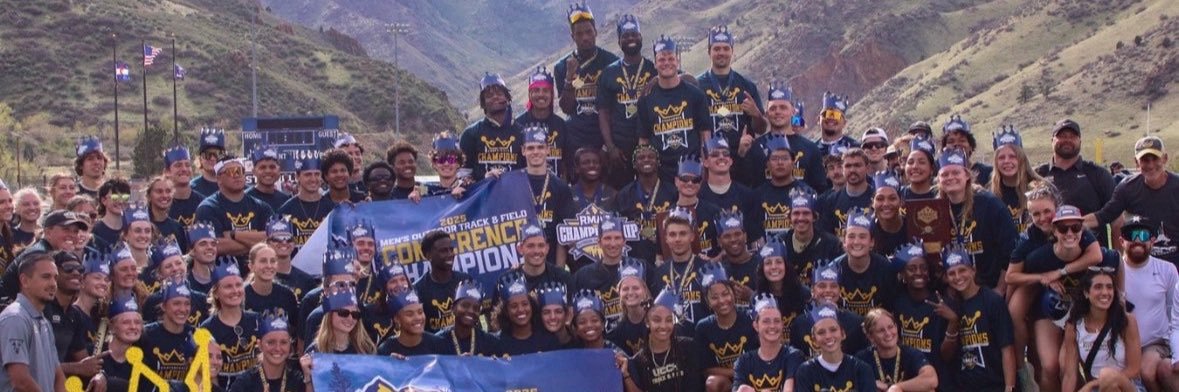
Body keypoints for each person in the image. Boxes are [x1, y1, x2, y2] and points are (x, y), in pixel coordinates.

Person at [1018, 205, 1119, 392]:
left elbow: (1117, 260)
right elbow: (1016, 278)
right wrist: (1043, 279)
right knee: (1049, 366)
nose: (1070, 233)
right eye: (1063, 228)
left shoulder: (1096, 255)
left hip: (1082, 312)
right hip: (1050, 309)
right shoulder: (1039, 257)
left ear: (1083, 230)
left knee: (1069, 366)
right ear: (1054, 231)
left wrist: (1121, 298)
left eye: (1076, 228)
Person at [1087, 136, 1179, 264]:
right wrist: (1069, 223)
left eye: (1155, 159)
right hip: (1141, 262)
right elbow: (1104, 216)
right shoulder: (1127, 188)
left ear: (1165, 158)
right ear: (1136, 162)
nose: (1151, 165)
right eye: (1145, 160)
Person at [935, 147, 1017, 290]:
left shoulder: (990, 204)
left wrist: (999, 291)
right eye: (945, 174)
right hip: (954, 289)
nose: (950, 177)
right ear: (939, 179)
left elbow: (1010, 252)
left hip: (989, 287)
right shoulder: (936, 209)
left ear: (967, 175)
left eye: (956, 172)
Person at [637, 35, 713, 181]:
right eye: (661, 59)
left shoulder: (695, 95)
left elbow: (705, 135)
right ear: (655, 63)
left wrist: (706, 168)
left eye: (671, 58)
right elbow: (643, 140)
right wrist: (645, 174)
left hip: (692, 171)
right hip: (661, 173)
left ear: (678, 60)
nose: (667, 63)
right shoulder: (646, 99)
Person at [1033, 119, 1116, 247]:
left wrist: (1120, 258)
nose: (1067, 140)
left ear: (1080, 141)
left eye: (1072, 136)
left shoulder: (1098, 174)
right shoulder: (1037, 175)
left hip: (1092, 258)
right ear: (1052, 141)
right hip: (1046, 258)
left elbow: (1117, 220)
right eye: (1062, 136)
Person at [943, 247, 1015, 392]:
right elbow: (945, 356)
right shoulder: (949, 307)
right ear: (946, 278)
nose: (958, 277)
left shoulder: (992, 301)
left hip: (995, 385)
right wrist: (952, 323)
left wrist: (1010, 387)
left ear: (973, 270)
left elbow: (1007, 348)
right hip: (963, 386)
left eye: (962, 270)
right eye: (952, 273)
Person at [1118, 216, 1177, 392]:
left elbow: (1174, 312)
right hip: (1121, 343)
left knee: (1147, 371)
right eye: (1131, 236)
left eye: (1143, 235)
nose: (1137, 241)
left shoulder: (1167, 269)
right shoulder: (1115, 270)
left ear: (1152, 241)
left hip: (1156, 342)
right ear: (1121, 241)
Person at [597, 14, 656, 187]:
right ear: (619, 40)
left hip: (649, 145)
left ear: (641, 37)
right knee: (622, 196)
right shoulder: (609, 73)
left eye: (634, 34)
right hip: (620, 149)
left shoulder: (653, 69)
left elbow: (683, 79)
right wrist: (610, 147)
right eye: (625, 35)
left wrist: (655, 80)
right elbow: (603, 113)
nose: (631, 38)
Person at [1061, 269, 1143, 392]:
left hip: (1127, 386)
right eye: (1098, 287)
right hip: (1097, 389)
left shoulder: (1127, 321)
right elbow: (1069, 375)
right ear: (1086, 293)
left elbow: (1134, 369)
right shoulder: (1074, 326)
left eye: (1109, 287)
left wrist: (1092, 385)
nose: (1105, 292)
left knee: (1107, 376)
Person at [890, 241, 958, 385]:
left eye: (923, 268)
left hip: (939, 382)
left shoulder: (943, 304)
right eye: (912, 269)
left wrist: (953, 321)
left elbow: (947, 357)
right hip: (907, 380)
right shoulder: (897, 302)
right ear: (902, 273)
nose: (919, 272)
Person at [554, 2, 618, 151]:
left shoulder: (612, 62)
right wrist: (569, 78)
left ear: (596, 31)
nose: (585, 38)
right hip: (576, 141)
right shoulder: (562, 66)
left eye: (589, 32)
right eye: (579, 34)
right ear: (572, 36)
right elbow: (567, 109)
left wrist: (609, 145)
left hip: (605, 140)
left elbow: (616, 107)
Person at [0, 251, 67, 391]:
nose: (53, 284)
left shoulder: (45, 322)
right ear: (24, 281)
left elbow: (58, 375)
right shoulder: (15, 318)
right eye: (46, 277)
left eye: (55, 278)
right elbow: (21, 381)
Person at [742, 81, 826, 192]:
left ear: (793, 111)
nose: (778, 112)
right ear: (766, 113)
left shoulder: (810, 149)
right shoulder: (756, 147)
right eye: (773, 108)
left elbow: (820, 190)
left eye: (783, 107)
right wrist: (741, 154)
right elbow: (746, 187)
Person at [696, 25, 765, 159]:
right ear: (709, 52)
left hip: (744, 159)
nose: (721, 52)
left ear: (732, 51)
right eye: (716, 49)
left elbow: (761, 129)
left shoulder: (747, 86)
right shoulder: (697, 86)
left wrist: (756, 115)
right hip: (711, 160)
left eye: (726, 48)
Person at [572, 217, 649, 329]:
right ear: (599, 242)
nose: (612, 244)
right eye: (607, 238)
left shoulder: (642, 267)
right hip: (601, 340)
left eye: (617, 238)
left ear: (624, 241)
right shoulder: (583, 275)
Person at [518, 124, 578, 267]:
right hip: (519, 264)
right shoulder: (512, 184)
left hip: (550, 264)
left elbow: (562, 236)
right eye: (531, 148)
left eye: (540, 147)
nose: (536, 152)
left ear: (547, 150)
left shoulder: (561, 187)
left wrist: (558, 271)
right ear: (523, 151)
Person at [625, 287, 704, 392]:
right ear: (647, 323)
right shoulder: (639, 361)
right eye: (657, 320)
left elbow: (695, 386)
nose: (663, 326)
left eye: (669, 320)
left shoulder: (688, 347)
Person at [0, 210, 88, 304]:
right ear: (48, 232)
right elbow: (36, 294)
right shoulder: (39, 254)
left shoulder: (51, 252)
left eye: (75, 231)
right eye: (66, 229)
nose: (71, 235)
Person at [695, 262, 757, 392]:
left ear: (733, 293)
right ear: (707, 301)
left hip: (753, 377)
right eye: (714, 297)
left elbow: (758, 359)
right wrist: (735, 373)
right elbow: (706, 370)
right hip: (726, 382)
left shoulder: (750, 319)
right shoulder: (703, 328)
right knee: (712, 382)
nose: (722, 301)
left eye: (725, 294)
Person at [195, 156, 274, 258]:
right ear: (218, 178)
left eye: (240, 171)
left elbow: (274, 237)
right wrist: (258, 242)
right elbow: (216, 246)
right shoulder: (207, 208)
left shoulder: (261, 207)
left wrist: (234, 235)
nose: (237, 175)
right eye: (231, 171)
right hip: (224, 271)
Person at [199, 257, 261, 387]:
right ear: (216, 293)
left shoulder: (257, 321)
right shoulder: (207, 329)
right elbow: (208, 375)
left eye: (238, 285)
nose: (235, 291)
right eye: (228, 286)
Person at [611, 145, 676, 263]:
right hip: (634, 257)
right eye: (641, 158)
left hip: (666, 257)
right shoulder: (624, 195)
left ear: (658, 162)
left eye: (651, 157)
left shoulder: (672, 192)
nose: (646, 160)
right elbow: (618, 226)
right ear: (634, 164)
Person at [790, 263, 869, 358]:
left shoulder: (855, 323)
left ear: (839, 290)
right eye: (822, 286)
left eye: (833, 286)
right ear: (812, 290)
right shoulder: (799, 324)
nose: (828, 290)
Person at [792, 303, 876, 392]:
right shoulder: (805, 371)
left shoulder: (861, 369)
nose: (828, 336)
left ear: (843, 334)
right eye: (821, 332)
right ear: (814, 340)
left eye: (833, 330)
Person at [732, 294, 804, 392]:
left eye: (777, 321)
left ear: (782, 325)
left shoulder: (793, 355)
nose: (772, 326)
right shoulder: (743, 362)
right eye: (766, 321)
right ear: (756, 326)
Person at [855, 308, 939, 392]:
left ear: (896, 327)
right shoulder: (862, 358)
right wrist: (871, 384)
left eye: (890, 327)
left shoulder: (910, 353)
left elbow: (931, 379)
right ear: (871, 337)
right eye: (881, 330)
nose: (888, 333)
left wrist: (895, 387)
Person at [752, 134, 816, 242]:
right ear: (767, 164)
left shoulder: (807, 193)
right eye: (775, 158)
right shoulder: (757, 196)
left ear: (793, 163)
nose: (780, 163)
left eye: (785, 158)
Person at [460, 72, 523, 181]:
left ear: (507, 98)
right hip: (483, 197)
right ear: (483, 103)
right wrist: (484, 180)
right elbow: (463, 175)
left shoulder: (521, 132)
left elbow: (528, 172)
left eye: (499, 93)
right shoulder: (470, 134)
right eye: (489, 95)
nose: (495, 97)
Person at [698, 134, 759, 242]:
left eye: (725, 154)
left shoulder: (747, 195)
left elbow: (754, 238)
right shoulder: (698, 196)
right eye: (715, 154)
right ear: (705, 162)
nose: (721, 157)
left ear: (730, 161)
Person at [836, 211, 898, 316]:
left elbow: (892, 309)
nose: (856, 242)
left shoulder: (886, 269)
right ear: (844, 242)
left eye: (862, 237)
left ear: (872, 242)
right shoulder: (834, 269)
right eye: (851, 236)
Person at [653, 211, 709, 326]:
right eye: (672, 234)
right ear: (666, 238)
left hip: (701, 339)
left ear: (692, 236)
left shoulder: (706, 269)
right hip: (671, 339)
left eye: (683, 234)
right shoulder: (659, 273)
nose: (677, 239)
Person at [229, 310, 306, 392]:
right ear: (260, 345)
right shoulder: (244, 384)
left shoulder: (298, 381)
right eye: (271, 342)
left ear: (290, 345)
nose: (277, 348)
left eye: (283, 342)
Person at [139, 279, 198, 382]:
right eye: (176, 303)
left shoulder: (196, 336)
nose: (183, 309)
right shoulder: (145, 335)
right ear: (164, 306)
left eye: (187, 304)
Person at [516, 67, 570, 179]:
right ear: (529, 94)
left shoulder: (561, 125)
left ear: (552, 95)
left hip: (555, 188)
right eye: (536, 90)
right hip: (526, 188)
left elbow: (566, 163)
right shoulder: (518, 124)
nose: (541, 95)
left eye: (546, 91)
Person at [414, 230, 471, 334]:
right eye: (443, 251)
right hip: (436, 348)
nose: (450, 254)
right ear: (428, 255)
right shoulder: (418, 289)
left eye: (451, 249)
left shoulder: (465, 281)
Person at [754, 239, 810, 343]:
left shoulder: (804, 293)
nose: (774, 267)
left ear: (786, 265)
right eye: (768, 263)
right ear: (762, 268)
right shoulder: (757, 298)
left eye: (779, 262)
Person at [989, 126, 1042, 233]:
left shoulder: (1040, 188)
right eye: (1001, 157)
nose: (1007, 161)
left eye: (1012, 156)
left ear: (1021, 159)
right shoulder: (990, 194)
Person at [782, 192, 842, 286]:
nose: (801, 218)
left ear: (814, 217)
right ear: (789, 217)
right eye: (796, 213)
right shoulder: (781, 242)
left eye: (806, 213)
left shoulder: (831, 244)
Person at [277, 155, 337, 247]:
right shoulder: (286, 210)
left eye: (317, 174)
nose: (313, 179)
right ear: (297, 176)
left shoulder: (332, 209)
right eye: (308, 174)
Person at [244, 243, 300, 341]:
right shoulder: (241, 296)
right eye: (263, 261)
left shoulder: (287, 295)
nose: (269, 266)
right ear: (251, 266)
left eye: (273, 261)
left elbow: (294, 331)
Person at [88, 291, 141, 391]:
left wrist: (108, 381)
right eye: (126, 322)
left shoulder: (141, 359)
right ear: (111, 327)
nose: (133, 327)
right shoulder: (94, 353)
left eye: (137, 322)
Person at [495, 272, 558, 355]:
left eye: (525, 304)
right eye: (514, 306)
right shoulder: (497, 343)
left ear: (531, 305)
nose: (521, 310)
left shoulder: (548, 339)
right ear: (506, 311)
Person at [671, 156, 721, 256]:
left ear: (700, 182)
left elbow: (726, 249)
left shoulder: (714, 212)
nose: (690, 183)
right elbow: (660, 256)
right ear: (676, 181)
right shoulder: (667, 215)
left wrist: (712, 261)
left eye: (695, 180)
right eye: (685, 179)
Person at [305, 284, 376, 354]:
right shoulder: (315, 351)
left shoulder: (366, 349)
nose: (350, 318)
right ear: (329, 314)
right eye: (343, 313)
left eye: (355, 315)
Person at [437, 280, 501, 356]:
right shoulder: (439, 341)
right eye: (465, 305)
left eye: (476, 308)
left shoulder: (490, 342)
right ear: (453, 308)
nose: (471, 311)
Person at [377, 288, 448, 357]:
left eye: (420, 312)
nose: (418, 318)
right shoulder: (386, 351)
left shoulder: (438, 345)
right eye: (409, 314)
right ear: (397, 319)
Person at [819, 148, 873, 238]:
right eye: (848, 166)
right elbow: (826, 236)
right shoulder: (831, 201)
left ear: (867, 168)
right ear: (843, 169)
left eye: (857, 165)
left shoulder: (876, 198)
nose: (852, 170)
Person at [607, 261, 653, 355]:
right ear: (619, 293)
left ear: (645, 290)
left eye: (636, 288)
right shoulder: (616, 331)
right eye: (625, 289)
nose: (630, 293)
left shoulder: (657, 320)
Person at [265, 217, 316, 300]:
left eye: (289, 239)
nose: (284, 242)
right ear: (267, 243)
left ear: (294, 244)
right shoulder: (262, 277)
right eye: (277, 239)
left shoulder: (307, 281)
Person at [714, 211, 758, 305]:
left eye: (737, 234)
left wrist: (751, 296)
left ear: (745, 236)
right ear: (719, 241)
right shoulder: (718, 271)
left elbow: (775, 301)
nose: (733, 239)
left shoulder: (761, 264)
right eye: (727, 236)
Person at [939, 115, 993, 187]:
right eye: (951, 141)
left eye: (962, 140)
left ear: (970, 146)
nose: (956, 144)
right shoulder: (940, 176)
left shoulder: (987, 173)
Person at [164, 144, 205, 227]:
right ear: (167, 172)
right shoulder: (162, 204)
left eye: (187, 165)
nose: (184, 169)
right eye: (178, 165)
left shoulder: (204, 203)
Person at [144, 176, 188, 253]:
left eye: (168, 191)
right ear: (149, 196)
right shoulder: (142, 225)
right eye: (159, 191)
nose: (164, 196)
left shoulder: (177, 227)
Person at [871, 171, 908, 256]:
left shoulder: (912, 227)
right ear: (872, 202)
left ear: (901, 201)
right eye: (880, 199)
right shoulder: (868, 231)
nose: (886, 204)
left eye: (892, 198)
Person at [88, 178, 131, 250]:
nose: (120, 201)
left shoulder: (131, 226)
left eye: (125, 197)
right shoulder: (96, 229)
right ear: (103, 200)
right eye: (115, 197)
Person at [813, 92, 859, 158]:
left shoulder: (855, 148)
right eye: (827, 114)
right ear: (818, 119)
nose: (831, 118)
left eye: (836, 115)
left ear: (844, 123)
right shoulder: (811, 150)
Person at [245, 147, 291, 212]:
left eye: (272, 167)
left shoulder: (285, 200)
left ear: (279, 170)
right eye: (262, 167)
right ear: (254, 172)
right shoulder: (245, 199)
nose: (268, 171)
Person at [185, 222, 221, 295]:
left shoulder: (223, 279)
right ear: (192, 251)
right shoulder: (184, 282)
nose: (210, 247)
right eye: (203, 244)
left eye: (213, 244)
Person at [536, 282, 575, 347]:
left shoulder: (580, 341)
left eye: (558, 311)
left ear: (567, 314)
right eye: (546, 312)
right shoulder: (534, 345)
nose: (552, 317)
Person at [191, 127, 226, 197]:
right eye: (207, 155)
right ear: (200, 158)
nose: (212, 158)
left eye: (217, 154)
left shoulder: (233, 185)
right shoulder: (191, 189)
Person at [901, 136, 938, 200]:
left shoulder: (940, 195)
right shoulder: (898, 195)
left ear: (931, 169)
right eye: (910, 162)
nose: (915, 166)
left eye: (921, 162)